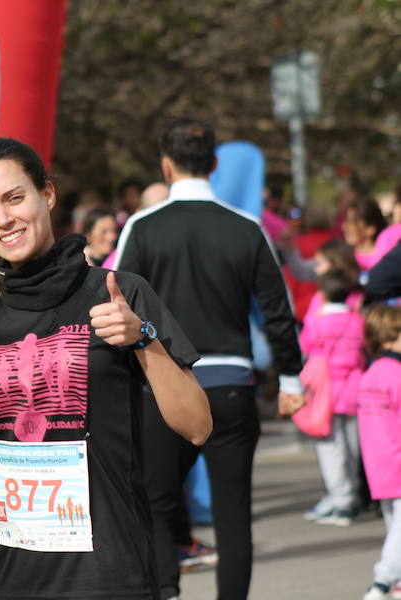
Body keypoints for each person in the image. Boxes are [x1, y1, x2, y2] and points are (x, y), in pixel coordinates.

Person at [0, 137, 211, 599]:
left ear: (46, 194)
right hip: (19, 577)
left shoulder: (117, 292)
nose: (3, 219)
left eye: (14, 198)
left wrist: (142, 338)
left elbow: (197, 425)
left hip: (112, 575)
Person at [114, 117, 304, 600]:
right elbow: (279, 312)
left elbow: (118, 306)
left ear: (166, 163)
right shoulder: (247, 227)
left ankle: (167, 592)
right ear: (215, 164)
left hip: (161, 387)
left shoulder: (142, 226)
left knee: (157, 503)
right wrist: (291, 382)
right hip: (232, 385)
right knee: (233, 511)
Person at [298, 269, 366, 525]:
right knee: (352, 447)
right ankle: (353, 495)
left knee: (330, 449)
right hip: (355, 388)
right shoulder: (358, 321)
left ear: (323, 293)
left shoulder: (316, 323)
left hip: (325, 391)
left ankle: (340, 500)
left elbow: (305, 348)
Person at [359, 304, 401, 600]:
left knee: (394, 525)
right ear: (388, 338)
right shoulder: (397, 373)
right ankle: (383, 582)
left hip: (378, 462)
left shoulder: (371, 374)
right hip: (398, 457)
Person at [343, 196, 388, 272]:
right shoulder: (344, 260)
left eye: (352, 222)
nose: (344, 227)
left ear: (370, 228)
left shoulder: (387, 258)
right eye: (346, 221)